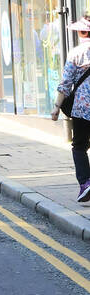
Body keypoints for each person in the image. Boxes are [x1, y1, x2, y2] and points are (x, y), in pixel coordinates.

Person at [51, 17, 90, 202]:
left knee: (79, 146)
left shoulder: (76, 53)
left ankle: (85, 183)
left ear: (81, 33)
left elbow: (65, 84)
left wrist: (56, 108)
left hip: (82, 108)